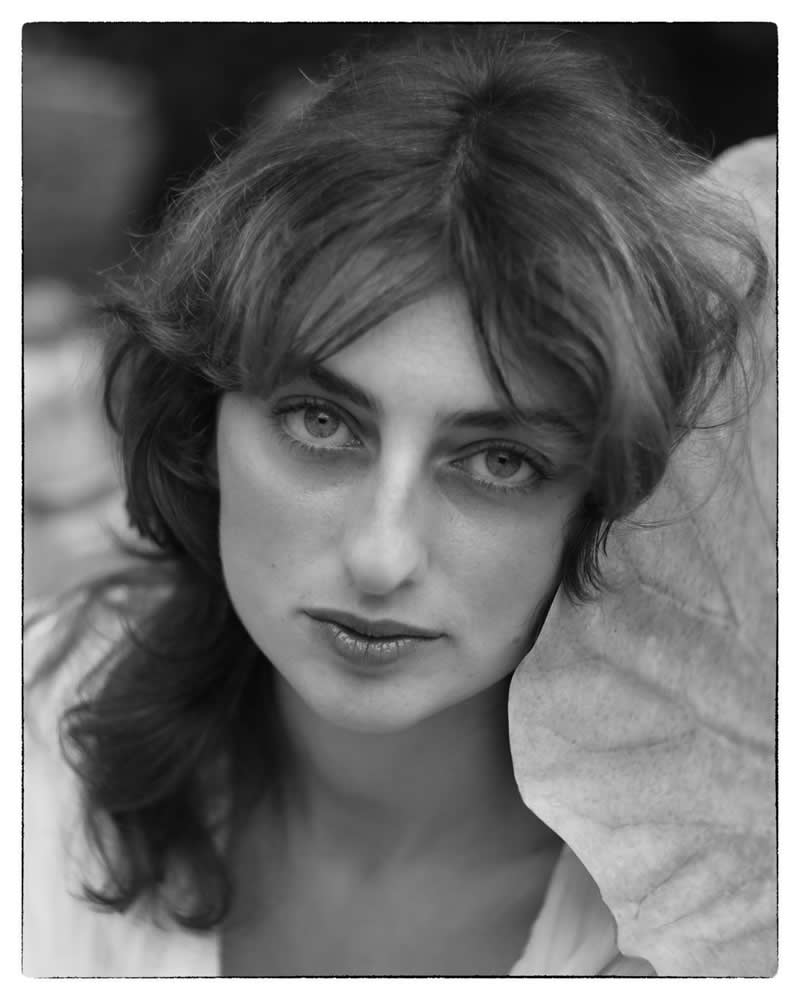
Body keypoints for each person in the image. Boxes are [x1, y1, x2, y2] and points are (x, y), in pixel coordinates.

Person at [23, 29, 770, 977]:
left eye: (499, 461)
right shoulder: (34, 740)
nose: (382, 555)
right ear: (201, 420)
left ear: (601, 499)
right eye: (321, 422)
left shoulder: (708, 929)